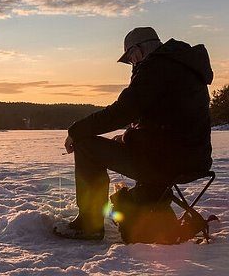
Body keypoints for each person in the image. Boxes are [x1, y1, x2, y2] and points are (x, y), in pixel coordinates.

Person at [55, 27, 213, 240]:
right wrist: (129, 137)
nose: (132, 64)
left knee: (87, 146)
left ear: (137, 51)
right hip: (194, 159)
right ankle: (147, 211)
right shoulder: (184, 67)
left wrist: (77, 130)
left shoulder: (155, 67)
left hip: (165, 163)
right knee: (120, 144)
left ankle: (89, 224)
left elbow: (123, 111)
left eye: (130, 58)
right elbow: (166, 122)